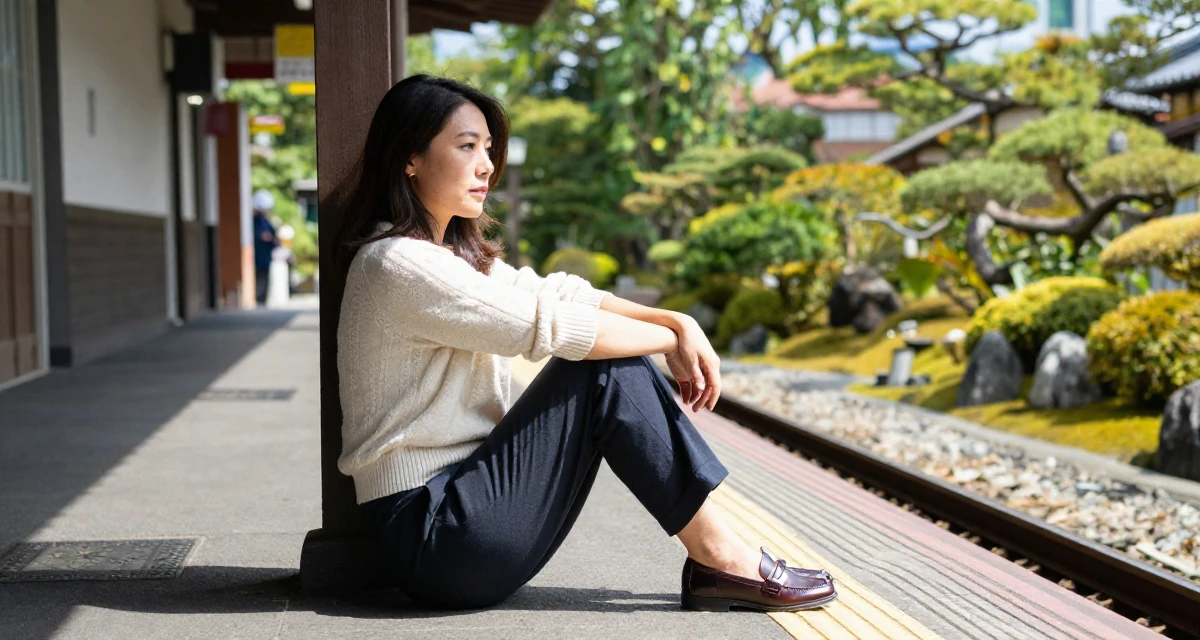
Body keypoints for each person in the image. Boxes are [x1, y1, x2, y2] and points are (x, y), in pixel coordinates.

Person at [330, 74, 837, 613]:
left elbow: (559, 293)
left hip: (459, 511)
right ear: (410, 158)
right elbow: (553, 328)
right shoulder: (400, 263)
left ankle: (721, 558)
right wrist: (669, 339)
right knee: (602, 369)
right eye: (467, 146)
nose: (486, 165)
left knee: (607, 359)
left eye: (488, 148)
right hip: (433, 533)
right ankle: (721, 557)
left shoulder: (449, 257)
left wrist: (677, 321)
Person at [252, 190, 280, 306]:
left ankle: (262, 299)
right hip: (257, 256)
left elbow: (273, 237)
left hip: (265, 256)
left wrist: (272, 239)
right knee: (258, 279)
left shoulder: (266, 221)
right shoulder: (254, 221)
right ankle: (259, 299)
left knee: (264, 278)